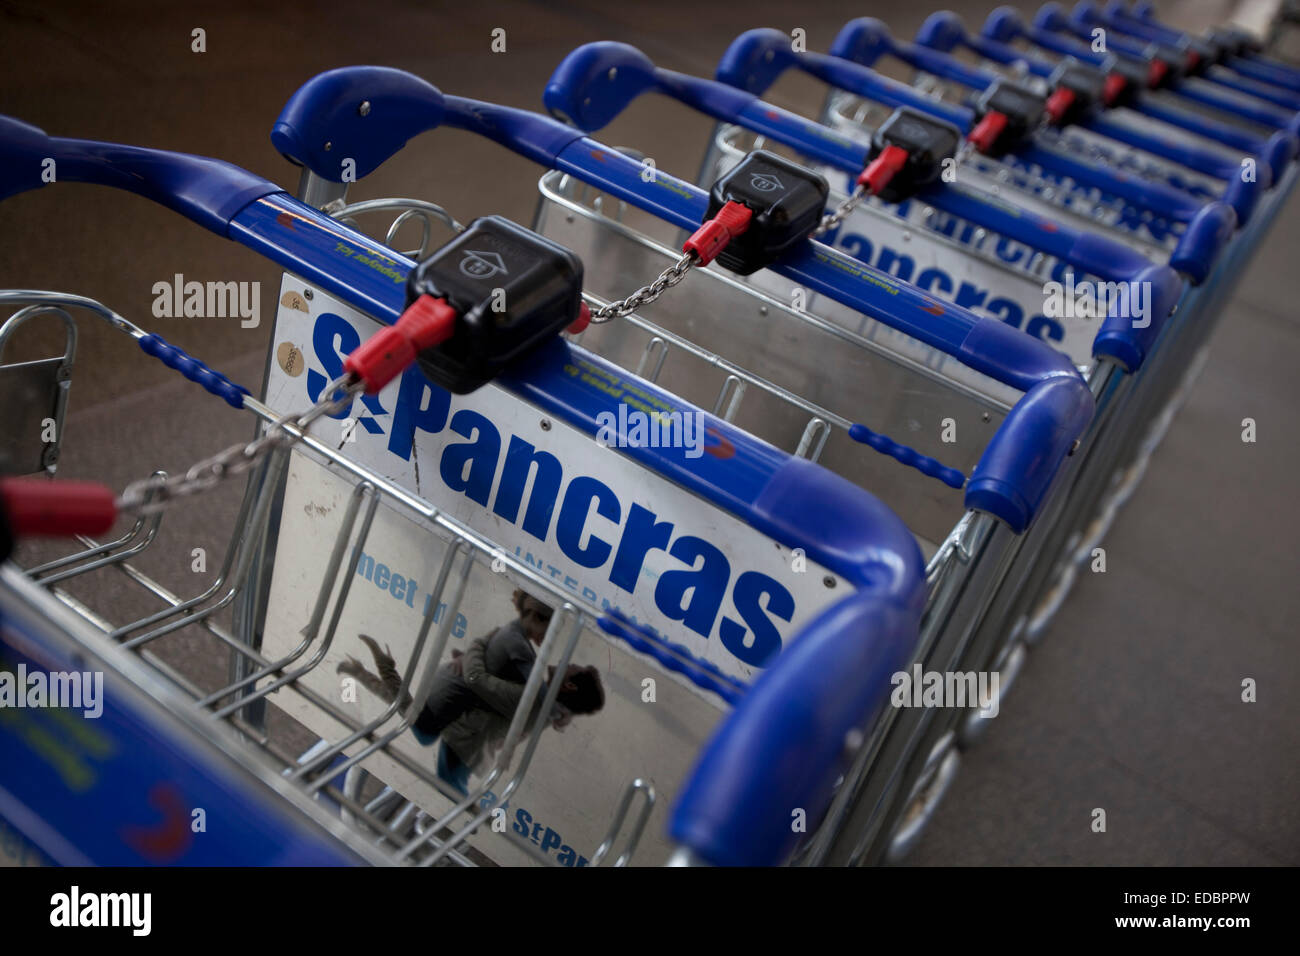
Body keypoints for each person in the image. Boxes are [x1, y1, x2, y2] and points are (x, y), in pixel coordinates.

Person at [338, 589, 604, 795]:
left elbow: (478, 679)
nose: (566, 662)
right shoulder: (540, 695)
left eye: (571, 667)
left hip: (465, 743)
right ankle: (372, 671)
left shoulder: (534, 695)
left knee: (429, 748)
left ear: (569, 685)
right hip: (464, 734)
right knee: (424, 739)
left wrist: (475, 648)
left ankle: (375, 671)